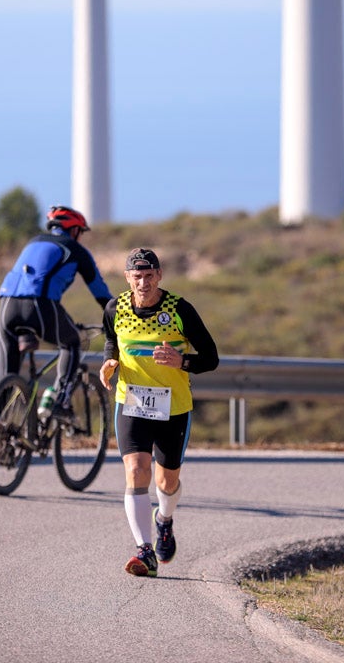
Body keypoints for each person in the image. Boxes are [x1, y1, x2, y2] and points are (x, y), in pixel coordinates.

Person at [99, 247, 219, 577]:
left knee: (167, 482)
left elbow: (211, 357)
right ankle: (144, 550)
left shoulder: (180, 309)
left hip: (173, 406)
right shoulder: (115, 308)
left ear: (160, 275)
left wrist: (183, 361)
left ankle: (164, 520)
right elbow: (111, 340)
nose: (143, 283)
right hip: (132, 402)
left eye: (149, 276)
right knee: (137, 470)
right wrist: (109, 361)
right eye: (137, 276)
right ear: (127, 278)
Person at [0, 205, 113, 422]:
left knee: (6, 377)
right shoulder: (75, 249)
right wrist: (118, 319)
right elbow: (101, 292)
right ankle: (60, 401)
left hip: (6, 306)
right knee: (72, 343)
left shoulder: (33, 242)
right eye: (80, 232)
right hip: (39, 305)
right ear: (74, 230)